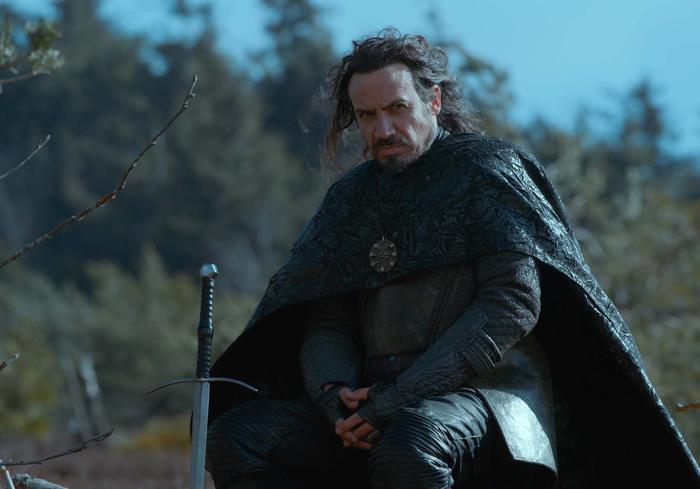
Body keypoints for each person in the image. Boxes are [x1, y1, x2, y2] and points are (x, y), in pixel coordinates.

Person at [205, 30, 698, 489]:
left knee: (411, 444)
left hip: (488, 394)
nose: (384, 128)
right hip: (374, 401)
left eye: (397, 108)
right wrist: (333, 394)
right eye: (368, 115)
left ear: (434, 101)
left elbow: (511, 305)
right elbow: (327, 317)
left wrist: (398, 398)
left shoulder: (487, 171)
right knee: (235, 437)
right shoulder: (349, 200)